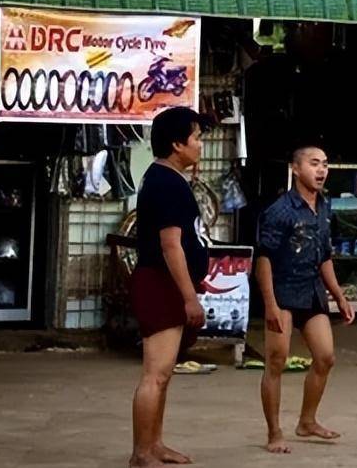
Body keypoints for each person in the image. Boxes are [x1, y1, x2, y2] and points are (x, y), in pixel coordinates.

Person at [256, 144, 356, 454]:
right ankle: (274, 432)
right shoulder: (279, 210)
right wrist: (270, 305)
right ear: (296, 169)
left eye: (325, 164)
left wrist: (339, 295)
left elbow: (324, 255)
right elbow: (263, 260)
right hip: (283, 292)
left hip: (312, 291)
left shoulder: (325, 206)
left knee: (325, 357)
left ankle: (307, 421)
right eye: (314, 164)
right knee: (276, 362)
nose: (321, 170)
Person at [129, 107, 211, 468]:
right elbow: (171, 244)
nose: (201, 145)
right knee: (156, 373)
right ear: (178, 144)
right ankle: (141, 451)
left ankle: (155, 443)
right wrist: (189, 297)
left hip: (170, 283)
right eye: (197, 138)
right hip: (161, 284)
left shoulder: (167, 178)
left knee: (164, 376)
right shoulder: (166, 183)